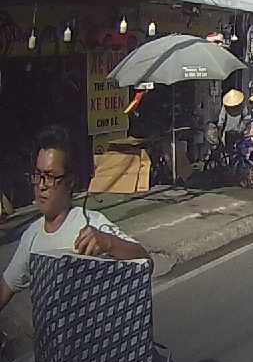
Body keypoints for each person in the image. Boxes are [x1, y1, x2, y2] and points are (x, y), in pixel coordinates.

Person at [0, 125, 149, 315]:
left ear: (70, 181)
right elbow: (6, 288)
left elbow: (146, 262)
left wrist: (109, 243)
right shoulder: (31, 236)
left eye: (50, 177)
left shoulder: (90, 224)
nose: (42, 186)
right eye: (38, 175)